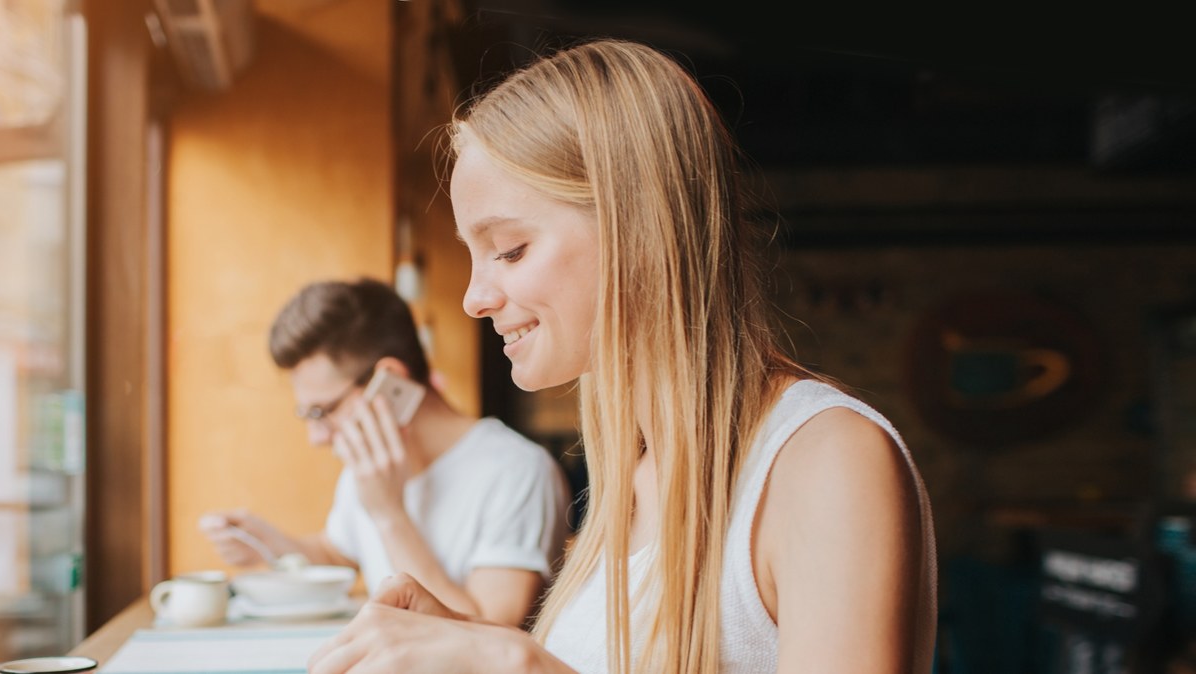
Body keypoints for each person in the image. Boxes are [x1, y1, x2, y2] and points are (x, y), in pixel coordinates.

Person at [306, 38, 938, 674]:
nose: (474, 298)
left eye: (511, 248)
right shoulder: (632, 482)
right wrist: (463, 646)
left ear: (635, 229)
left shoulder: (824, 460)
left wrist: (522, 666)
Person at [198, 278, 571, 628]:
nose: (316, 437)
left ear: (389, 379)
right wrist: (269, 545)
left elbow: (491, 633)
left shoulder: (517, 471)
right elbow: (339, 552)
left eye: (322, 411)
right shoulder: (368, 464)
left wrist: (389, 513)